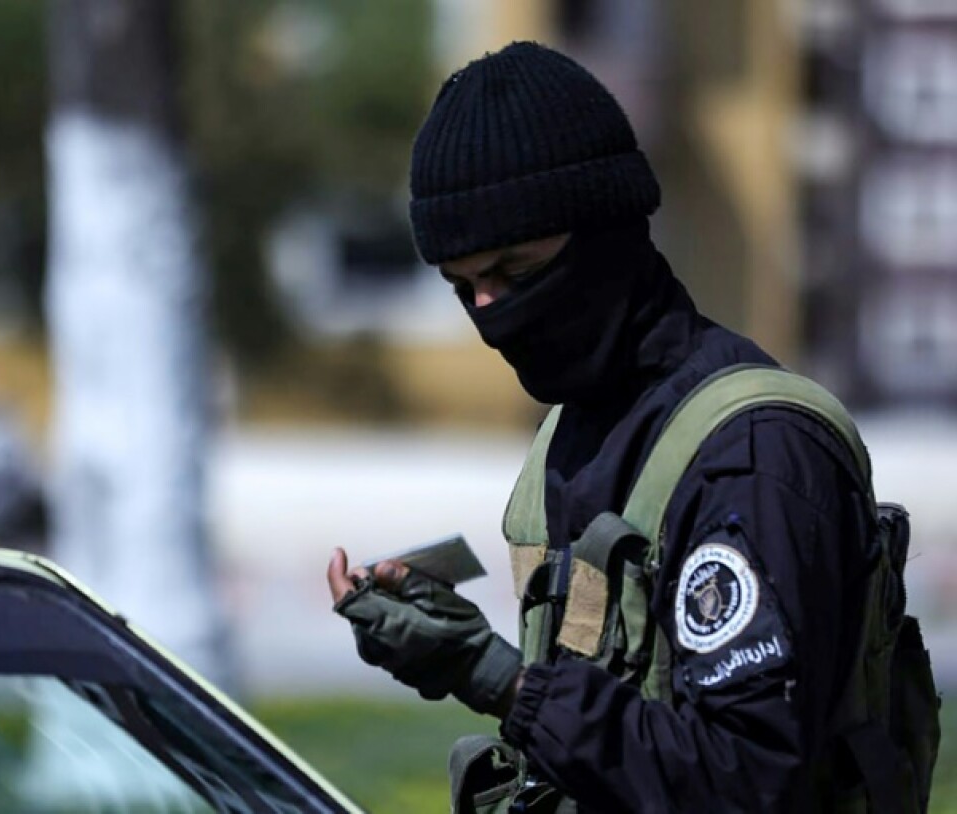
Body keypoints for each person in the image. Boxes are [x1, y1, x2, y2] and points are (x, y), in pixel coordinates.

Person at [326, 42, 893, 811]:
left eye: (516, 273)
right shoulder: (580, 429)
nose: (491, 314)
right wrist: (452, 640)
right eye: (464, 287)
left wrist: (499, 679)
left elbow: (745, 777)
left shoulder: (750, 453)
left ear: (605, 230)